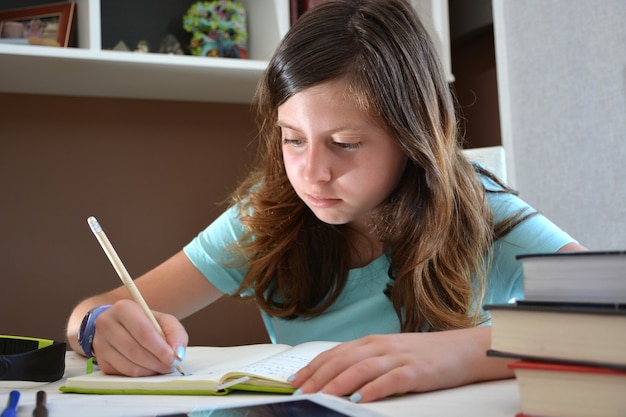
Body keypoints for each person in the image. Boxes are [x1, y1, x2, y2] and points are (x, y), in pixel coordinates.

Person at [66, 0, 586, 404]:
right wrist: (97, 328)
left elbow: (612, 318)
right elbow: (91, 311)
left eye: (344, 144)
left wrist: (463, 353)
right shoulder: (268, 215)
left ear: (412, 137)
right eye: (293, 140)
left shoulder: (478, 211)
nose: (312, 173)